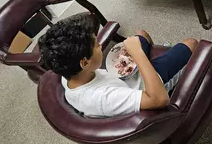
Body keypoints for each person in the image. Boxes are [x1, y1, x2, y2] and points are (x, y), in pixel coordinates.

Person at [39, 14, 198, 118]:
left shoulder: (67, 72)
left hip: (124, 81)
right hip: (148, 89)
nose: (101, 45)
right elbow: (159, 99)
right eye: (96, 45)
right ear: (85, 62)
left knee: (141, 34)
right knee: (191, 43)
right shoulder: (104, 99)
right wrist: (138, 55)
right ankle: (209, 64)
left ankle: (163, 53)